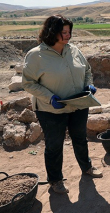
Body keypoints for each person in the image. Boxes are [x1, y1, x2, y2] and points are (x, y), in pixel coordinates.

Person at [22, 14, 102, 195]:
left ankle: (87, 167)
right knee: (54, 145)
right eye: (63, 32)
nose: (68, 36)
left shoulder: (74, 50)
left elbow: (87, 70)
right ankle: (55, 180)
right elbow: (28, 83)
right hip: (51, 109)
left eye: (69, 32)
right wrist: (49, 97)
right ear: (52, 32)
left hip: (78, 104)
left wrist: (88, 85)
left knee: (80, 138)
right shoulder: (36, 56)